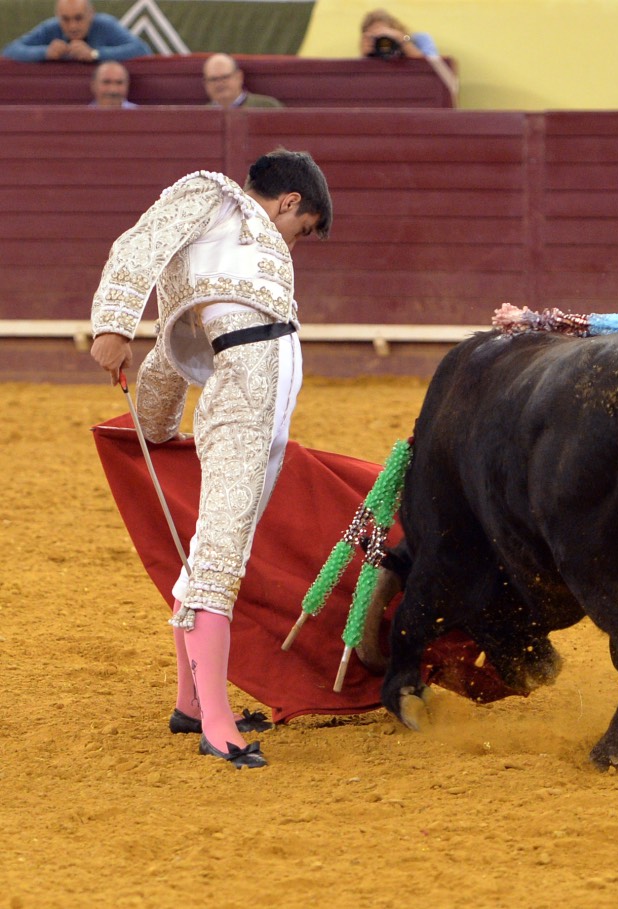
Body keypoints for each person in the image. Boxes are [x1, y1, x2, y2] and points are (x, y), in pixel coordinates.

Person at [90, 149, 333, 769]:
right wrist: (113, 325)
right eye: (301, 230)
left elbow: (177, 342)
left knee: (216, 547)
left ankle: (193, 704)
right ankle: (218, 725)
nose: (295, 245)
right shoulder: (214, 196)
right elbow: (140, 243)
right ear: (288, 203)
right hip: (246, 394)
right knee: (220, 554)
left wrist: (155, 421)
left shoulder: (216, 266)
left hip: (262, 395)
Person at [2, 0, 150, 63]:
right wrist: (45, 52)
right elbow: (9, 51)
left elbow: (141, 50)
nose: (72, 26)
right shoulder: (51, 28)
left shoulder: (105, 25)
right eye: (65, 19)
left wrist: (94, 54)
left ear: (91, 14)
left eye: (79, 18)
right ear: (58, 17)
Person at [202, 53, 283, 109]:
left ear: (239, 77)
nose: (219, 84)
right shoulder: (199, 116)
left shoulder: (268, 107)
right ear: (205, 84)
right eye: (213, 79)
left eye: (225, 77)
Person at [359, 7, 439, 59]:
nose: (383, 41)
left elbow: (435, 68)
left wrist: (402, 40)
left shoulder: (420, 39)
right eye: (375, 37)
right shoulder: (374, 51)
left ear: (396, 29)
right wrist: (366, 57)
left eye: (384, 34)